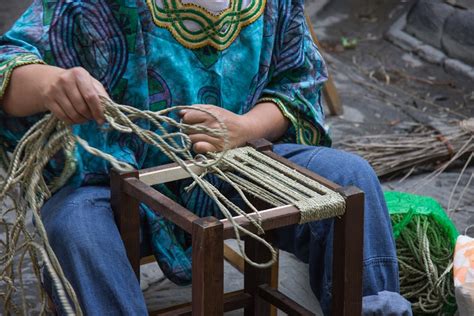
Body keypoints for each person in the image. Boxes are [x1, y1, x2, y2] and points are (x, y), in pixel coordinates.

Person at [0, 0, 412, 314]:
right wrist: (50, 82)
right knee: (74, 228)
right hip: (112, 180)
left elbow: (296, 88)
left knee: (350, 176)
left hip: (238, 169)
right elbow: (8, 64)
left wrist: (247, 127)